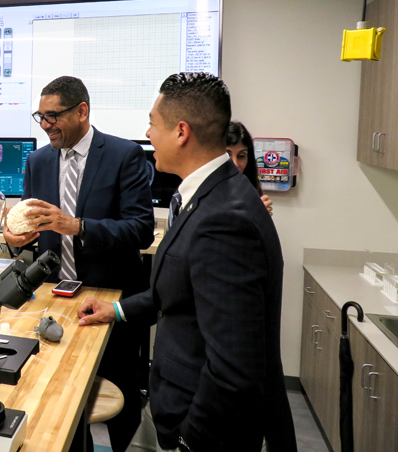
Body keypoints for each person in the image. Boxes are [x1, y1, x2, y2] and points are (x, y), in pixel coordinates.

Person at [77, 72, 297, 452]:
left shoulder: (224, 218)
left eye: (152, 123)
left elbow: (233, 367)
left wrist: (188, 440)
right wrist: (115, 310)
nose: (147, 134)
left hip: (197, 424)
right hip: (171, 404)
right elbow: (181, 291)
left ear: (181, 132)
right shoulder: (208, 196)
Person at [2, 75, 156, 452]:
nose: (45, 125)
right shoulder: (37, 161)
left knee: (117, 396)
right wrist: (16, 239)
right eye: (40, 116)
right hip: (54, 300)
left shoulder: (124, 155)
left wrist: (79, 226)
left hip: (110, 299)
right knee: (57, 395)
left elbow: (141, 230)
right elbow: (30, 224)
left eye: (53, 116)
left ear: (82, 111)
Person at [227, 120, 273, 215]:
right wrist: (250, 216)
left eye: (241, 156)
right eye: (227, 155)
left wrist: (261, 219)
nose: (235, 163)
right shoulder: (205, 191)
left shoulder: (248, 190)